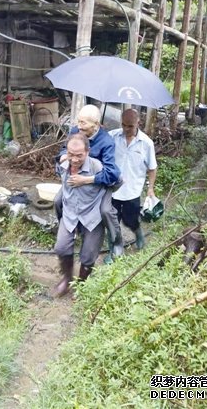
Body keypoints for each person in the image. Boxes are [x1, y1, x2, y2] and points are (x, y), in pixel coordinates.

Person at [54, 104, 123, 261]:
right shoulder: (75, 131)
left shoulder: (107, 142)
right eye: (78, 121)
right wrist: (64, 154)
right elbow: (63, 149)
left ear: (96, 124)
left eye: (83, 123)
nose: (79, 126)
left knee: (105, 210)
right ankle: (68, 228)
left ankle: (116, 240)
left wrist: (86, 180)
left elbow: (112, 174)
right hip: (76, 180)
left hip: (99, 183)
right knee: (58, 201)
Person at [54, 133, 107, 296]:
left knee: (88, 255)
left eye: (79, 155)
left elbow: (117, 180)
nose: (74, 159)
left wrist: (101, 199)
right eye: (71, 154)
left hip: (92, 215)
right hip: (70, 213)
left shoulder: (97, 167)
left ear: (88, 151)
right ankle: (67, 279)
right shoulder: (63, 164)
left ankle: (82, 284)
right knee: (61, 247)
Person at [109, 108, 157, 250]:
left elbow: (152, 168)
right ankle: (115, 248)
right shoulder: (112, 137)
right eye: (123, 125)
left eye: (130, 126)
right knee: (113, 220)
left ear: (138, 123)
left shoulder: (146, 143)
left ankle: (138, 233)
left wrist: (150, 188)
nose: (126, 129)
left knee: (131, 219)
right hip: (113, 189)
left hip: (133, 189)